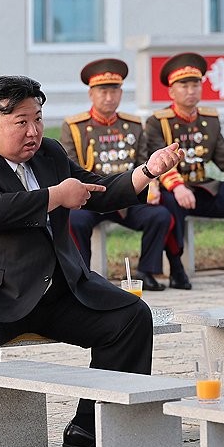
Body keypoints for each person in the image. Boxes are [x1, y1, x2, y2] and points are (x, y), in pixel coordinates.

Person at [0, 75, 182, 447]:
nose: (33, 132)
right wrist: (54, 195)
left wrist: (146, 171)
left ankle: (91, 428)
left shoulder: (49, 153)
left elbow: (96, 192)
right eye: (21, 122)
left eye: (38, 119)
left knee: (131, 317)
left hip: (55, 289)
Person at [142, 52, 224, 289]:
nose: (191, 90)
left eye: (195, 84)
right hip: (173, 189)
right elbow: (157, 162)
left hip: (203, 187)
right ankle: (176, 268)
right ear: (171, 91)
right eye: (184, 85)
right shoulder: (157, 122)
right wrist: (179, 186)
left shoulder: (210, 119)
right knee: (171, 202)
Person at [62, 58, 174, 292]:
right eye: (103, 91)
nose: (109, 97)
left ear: (121, 93)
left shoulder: (132, 125)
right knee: (75, 220)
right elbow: (70, 164)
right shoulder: (75, 126)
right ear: (91, 94)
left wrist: (152, 186)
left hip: (126, 195)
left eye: (114, 91)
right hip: (91, 197)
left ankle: (147, 271)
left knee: (160, 215)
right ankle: (81, 275)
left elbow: (145, 162)